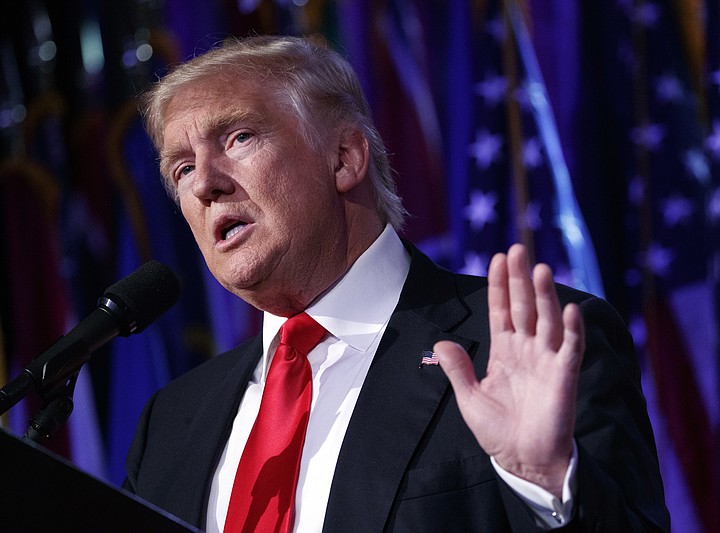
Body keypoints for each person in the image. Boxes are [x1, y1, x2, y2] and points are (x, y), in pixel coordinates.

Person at [124, 35, 669, 532]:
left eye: (239, 137)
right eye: (181, 169)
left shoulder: (521, 350)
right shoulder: (169, 425)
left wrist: (546, 483)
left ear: (344, 158)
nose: (205, 185)